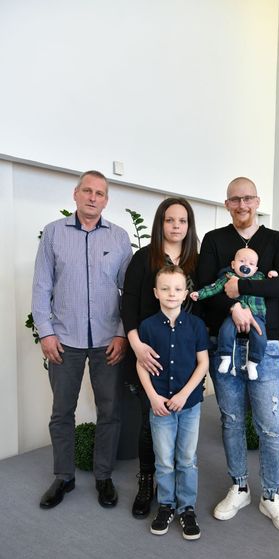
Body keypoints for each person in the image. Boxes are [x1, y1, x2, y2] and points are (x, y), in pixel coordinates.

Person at [197, 176, 279, 534]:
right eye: (235, 200)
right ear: (227, 205)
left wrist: (240, 286)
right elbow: (205, 290)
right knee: (231, 420)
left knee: (271, 427)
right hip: (224, 345)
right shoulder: (214, 240)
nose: (242, 205)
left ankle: (270, 495)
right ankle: (239, 487)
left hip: (266, 347)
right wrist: (234, 308)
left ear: (257, 202)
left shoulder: (277, 240)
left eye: (248, 199)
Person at [32, 170, 133, 509]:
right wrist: (46, 332)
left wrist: (121, 333)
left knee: (110, 410)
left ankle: (103, 476)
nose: (92, 197)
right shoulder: (53, 233)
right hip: (64, 339)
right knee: (62, 411)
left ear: (106, 201)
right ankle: (64, 476)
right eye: (87, 191)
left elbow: (128, 292)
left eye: (99, 193)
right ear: (75, 194)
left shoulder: (119, 238)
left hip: (108, 341)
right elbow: (41, 286)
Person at [121, 198, 199, 518]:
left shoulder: (197, 260)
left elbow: (206, 303)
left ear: (189, 226)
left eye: (182, 220)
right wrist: (136, 345)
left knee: (183, 429)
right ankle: (147, 482)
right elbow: (128, 304)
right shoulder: (144, 258)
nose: (176, 226)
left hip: (185, 357)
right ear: (160, 223)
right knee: (150, 422)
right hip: (148, 353)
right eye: (169, 220)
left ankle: (180, 492)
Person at [136, 266, 209, 540]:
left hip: (189, 405)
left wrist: (184, 394)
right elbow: (141, 365)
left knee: (187, 459)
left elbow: (203, 363)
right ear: (156, 292)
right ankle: (166, 505)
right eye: (165, 288)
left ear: (186, 293)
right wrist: (153, 397)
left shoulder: (196, 325)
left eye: (178, 289)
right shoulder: (147, 326)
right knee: (164, 460)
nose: (171, 294)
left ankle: (187, 508)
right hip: (160, 406)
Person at [191, 247, 278, 380]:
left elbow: (271, 286)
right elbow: (213, 288)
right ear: (233, 264)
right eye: (242, 261)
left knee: (260, 336)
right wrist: (199, 294)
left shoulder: (260, 277)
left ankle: (253, 363)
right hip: (234, 315)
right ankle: (225, 357)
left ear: (255, 269)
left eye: (251, 263)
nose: (246, 265)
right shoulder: (227, 277)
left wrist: (272, 275)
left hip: (256, 314)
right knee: (225, 330)